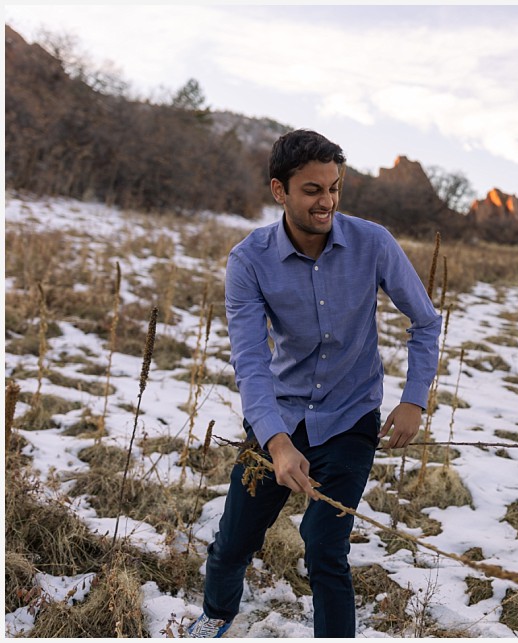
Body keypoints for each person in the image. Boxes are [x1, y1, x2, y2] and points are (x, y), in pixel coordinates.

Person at [187, 129, 442, 638]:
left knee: (326, 548)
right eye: (312, 190)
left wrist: (415, 400)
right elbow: (251, 362)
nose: (326, 201)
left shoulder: (373, 242)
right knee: (235, 538)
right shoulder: (249, 260)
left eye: (334, 188)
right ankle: (215, 617)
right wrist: (277, 442)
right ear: (280, 191)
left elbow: (426, 321)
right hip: (277, 414)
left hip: (351, 416)